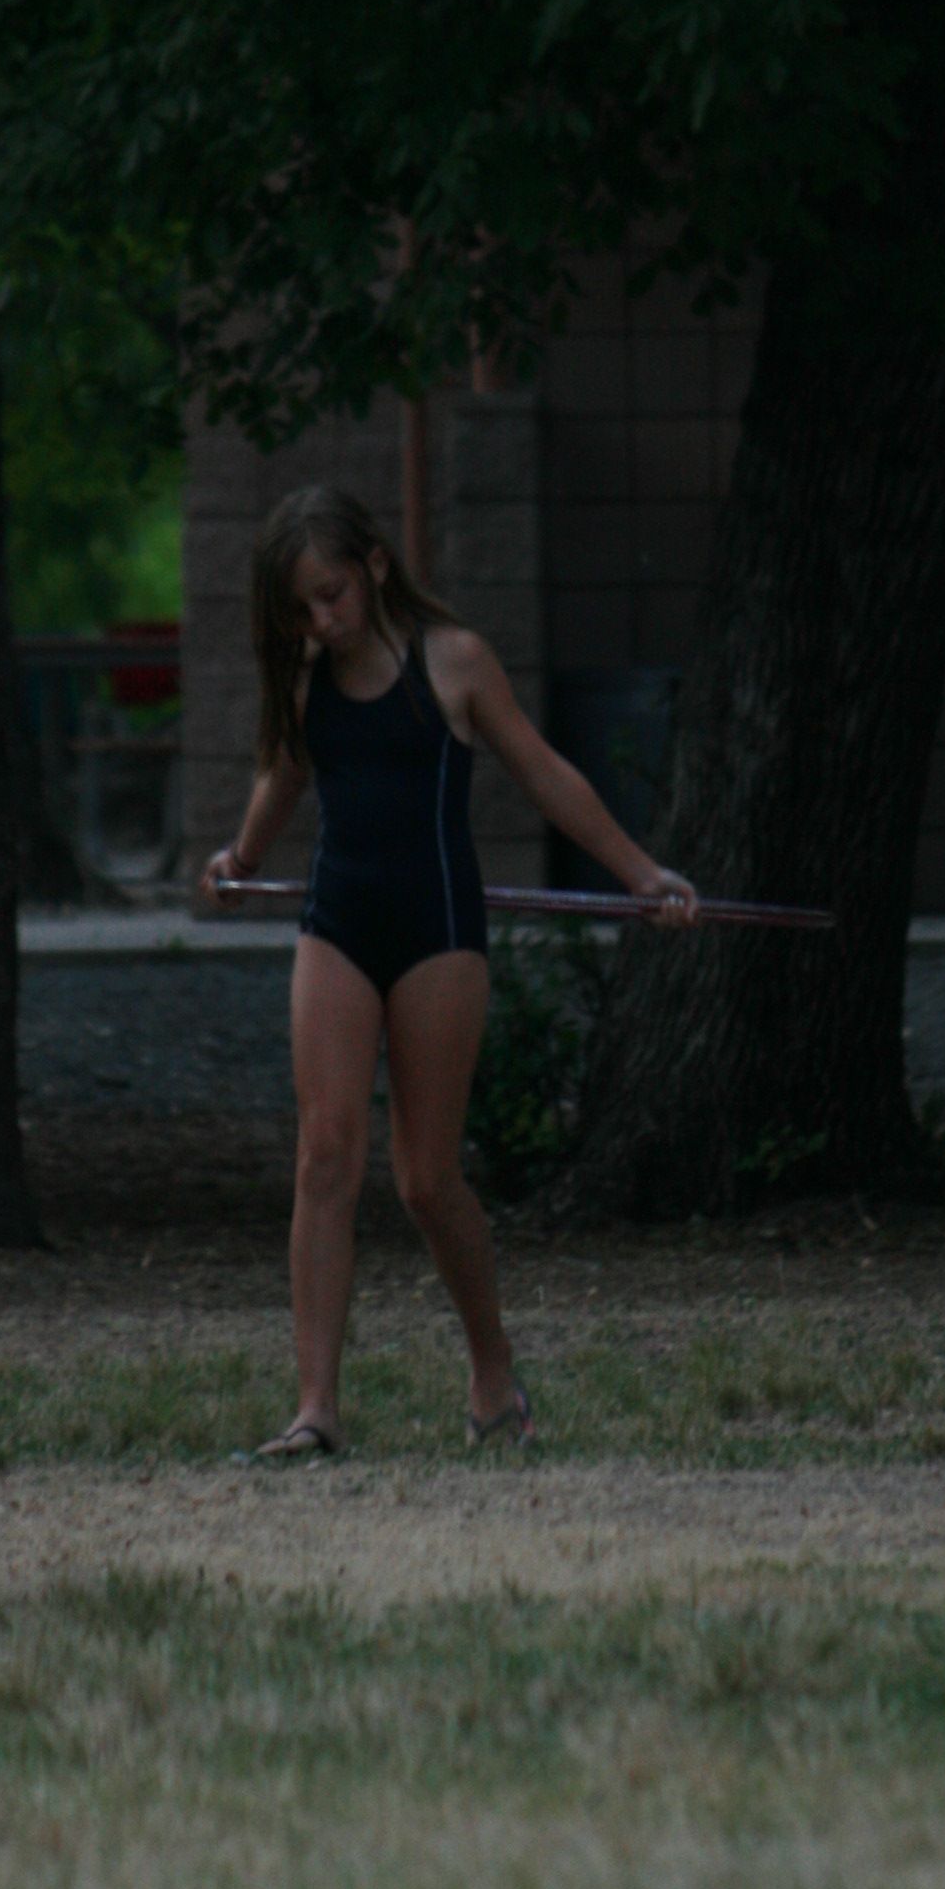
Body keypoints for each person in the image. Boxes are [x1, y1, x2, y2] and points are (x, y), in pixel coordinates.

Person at [200, 485, 697, 1460]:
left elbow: (544, 773)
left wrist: (642, 875)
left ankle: (494, 1374)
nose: (320, 621)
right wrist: (240, 858)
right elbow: (282, 777)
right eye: (301, 608)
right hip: (337, 927)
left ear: (376, 567)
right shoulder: (307, 684)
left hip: (438, 933)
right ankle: (315, 1411)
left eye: (333, 595)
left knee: (426, 1180)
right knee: (324, 1154)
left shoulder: (455, 662)